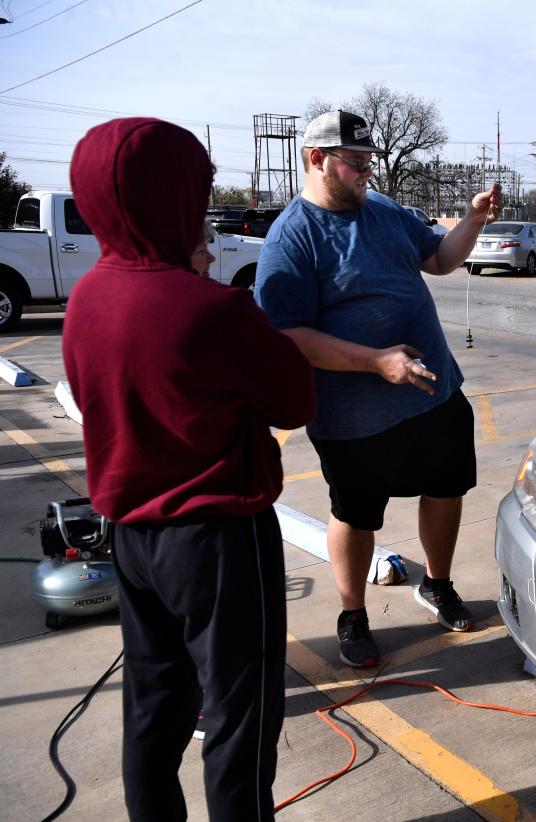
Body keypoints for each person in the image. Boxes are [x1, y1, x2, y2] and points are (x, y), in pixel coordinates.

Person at [62, 117, 315, 821]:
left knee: (154, 704)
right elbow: (294, 401)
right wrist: (217, 297)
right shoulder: (210, 306)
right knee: (239, 717)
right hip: (217, 540)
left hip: (132, 536)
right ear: (175, 199)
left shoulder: (85, 298)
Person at [255, 109, 500, 667]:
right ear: (318, 160)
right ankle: (353, 614)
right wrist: (374, 362)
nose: (368, 172)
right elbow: (287, 336)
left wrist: (473, 220)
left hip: (434, 392)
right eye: (356, 162)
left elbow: (438, 258)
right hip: (353, 417)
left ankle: (436, 584)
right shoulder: (292, 238)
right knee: (356, 514)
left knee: (446, 489)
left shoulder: (384, 210)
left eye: (370, 161)